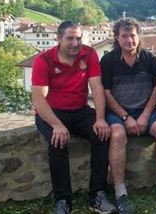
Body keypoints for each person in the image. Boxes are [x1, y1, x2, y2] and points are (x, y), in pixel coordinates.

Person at [31, 20, 115, 214]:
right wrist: (57, 125)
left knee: (102, 134)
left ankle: (97, 196)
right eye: (70, 38)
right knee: (58, 141)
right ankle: (63, 201)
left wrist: (100, 118)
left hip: (79, 110)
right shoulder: (44, 60)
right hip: (51, 112)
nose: (75, 43)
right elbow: (38, 98)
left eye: (78, 38)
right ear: (58, 38)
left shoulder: (89, 54)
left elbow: (97, 87)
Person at [100, 19, 156, 213]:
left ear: (138, 36)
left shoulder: (149, 59)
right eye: (124, 36)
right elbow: (106, 94)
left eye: (132, 35)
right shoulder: (108, 61)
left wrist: (144, 116)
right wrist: (126, 118)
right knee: (117, 135)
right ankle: (120, 193)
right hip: (118, 112)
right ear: (117, 38)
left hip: (144, 111)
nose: (129, 40)